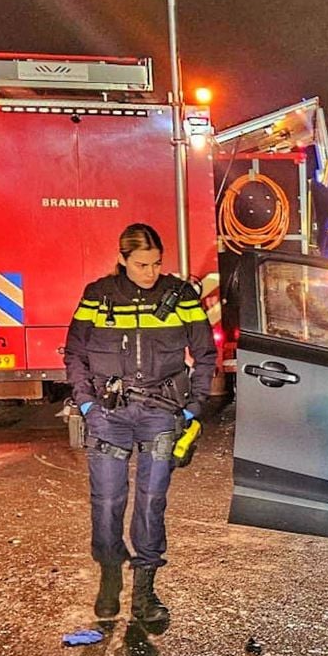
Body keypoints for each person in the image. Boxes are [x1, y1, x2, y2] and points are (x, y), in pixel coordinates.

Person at [63, 223, 217, 626]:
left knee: (152, 503)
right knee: (108, 502)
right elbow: (75, 353)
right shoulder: (98, 295)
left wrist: (193, 407)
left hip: (161, 413)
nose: (150, 272)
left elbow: (205, 353)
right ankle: (110, 578)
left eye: (156, 264)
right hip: (109, 416)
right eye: (141, 264)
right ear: (123, 260)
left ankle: (145, 593)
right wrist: (86, 406)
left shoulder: (180, 296)